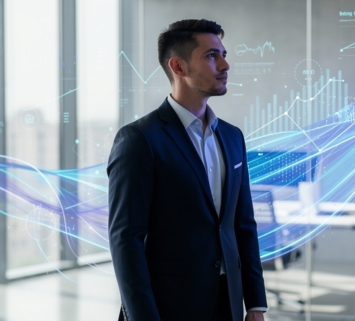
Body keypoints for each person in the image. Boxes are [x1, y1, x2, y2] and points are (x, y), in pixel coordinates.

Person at [107, 19, 267, 321]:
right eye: (211, 56)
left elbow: (243, 225)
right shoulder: (140, 139)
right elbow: (125, 239)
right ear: (178, 67)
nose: (225, 64)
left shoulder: (233, 138)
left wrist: (255, 303)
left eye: (223, 53)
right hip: (167, 307)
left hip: (228, 303)